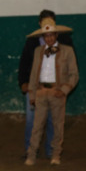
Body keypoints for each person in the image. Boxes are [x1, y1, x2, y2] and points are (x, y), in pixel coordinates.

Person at [18, 10, 75, 160]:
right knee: (33, 121)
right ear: (40, 27)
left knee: (54, 121)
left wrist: (64, 89)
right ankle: (30, 151)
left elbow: (73, 70)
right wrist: (25, 84)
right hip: (37, 88)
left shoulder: (66, 44)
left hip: (56, 88)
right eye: (45, 28)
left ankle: (52, 151)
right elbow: (26, 65)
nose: (49, 35)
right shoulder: (34, 46)